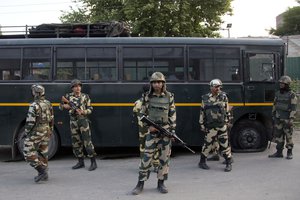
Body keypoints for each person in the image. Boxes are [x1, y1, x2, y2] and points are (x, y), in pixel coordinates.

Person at [131, 72, 176, 195]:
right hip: (152, 133)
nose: (157, 84)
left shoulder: (169, 96)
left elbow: (172, 115)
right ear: (151, 84)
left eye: (159, 82)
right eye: (155, 82)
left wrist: (171, 132)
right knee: (146, 158)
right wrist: (149, 126)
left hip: (165, 133)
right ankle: (140, 183)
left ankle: (161, 183)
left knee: (164, 159)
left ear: (163, 83)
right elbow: (141, 114)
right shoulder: (147, 97)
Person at [59, 79, 97, 171]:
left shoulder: (85, 96)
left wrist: (83, 111)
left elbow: (90, 109)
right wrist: (65, 106)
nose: (78, 88)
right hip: (73, 121)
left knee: (87, 142)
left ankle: (93, 162)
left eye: (79, 86)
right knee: (76, 142)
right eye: (75, 86)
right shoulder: (68, 96)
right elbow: (60, 106)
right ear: (72, 88)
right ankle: (80, 162)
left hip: (83, 120)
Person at [198, 79, 233, 172]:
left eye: (219, 87)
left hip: (221, 125)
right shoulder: (205, 98)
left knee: (225, 145)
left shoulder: (223, 97)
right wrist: (201, 124)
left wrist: (227, 121)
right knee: (207, 145)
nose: (218, 88)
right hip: (210, 126)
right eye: (216, 86)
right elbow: (202, 112)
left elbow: (226, 110)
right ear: (211, 87)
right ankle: (202, 162)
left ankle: (228, 162)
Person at [23, 84, 54, 183]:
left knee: (27, 152)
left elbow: (30, 122)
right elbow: (52, 118)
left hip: (37, 131)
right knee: (43, 152)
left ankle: (42, 172)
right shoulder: (48, 103)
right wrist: (50, 130)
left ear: (35, 93)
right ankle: (45, 174)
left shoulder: (33, 105)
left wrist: (27, 133)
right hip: (47, 130)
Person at [269, 75, 297, 159]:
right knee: (278, 136)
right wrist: (273, 115)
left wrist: (291, 118)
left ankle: (289, 152)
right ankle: (279, 152)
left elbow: (293, 108)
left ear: (287, 84)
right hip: (278, 118)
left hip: (287, 119)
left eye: (283, 83)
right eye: (280, 83)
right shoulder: (277, 93)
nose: (281, 85)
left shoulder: (292, 95)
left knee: (288, 136)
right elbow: (275, 105)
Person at [133, 85, 160, 172]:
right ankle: (156, 165)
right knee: (154, 146)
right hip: (151, 129)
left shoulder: (137, 102)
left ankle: (143, 165)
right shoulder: (152, 102)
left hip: (141, 129)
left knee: (142, 147)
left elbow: (135, 113)